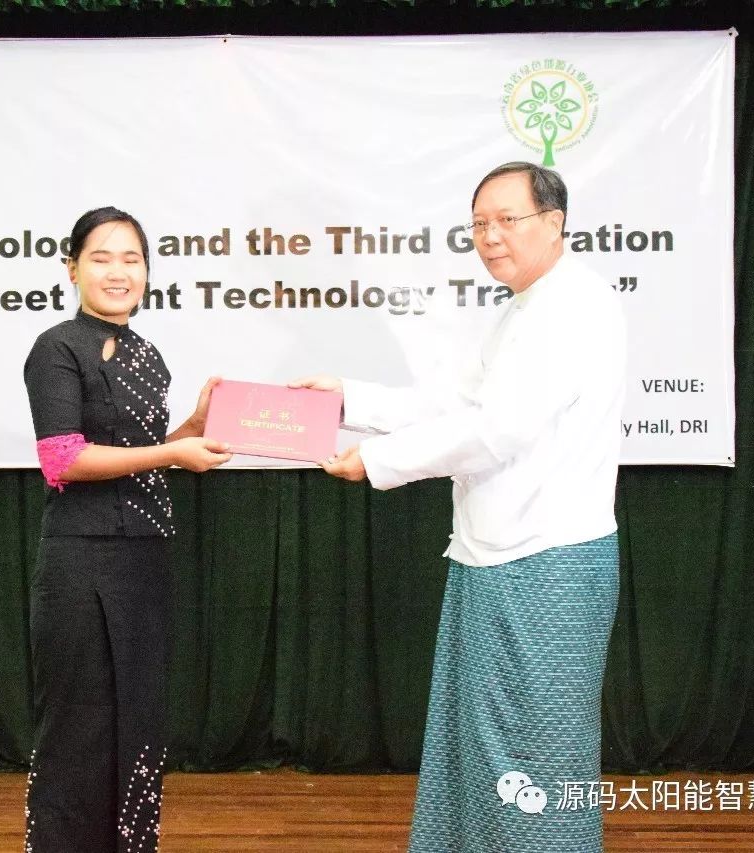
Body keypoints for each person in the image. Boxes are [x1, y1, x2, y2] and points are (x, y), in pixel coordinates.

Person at [295, 162, 626, 852]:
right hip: (491, 557)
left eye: (508, 219)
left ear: (555, 223)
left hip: (548, 562)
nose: (490, 236)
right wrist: (349, 399)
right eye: (478, 223)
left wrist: (379, 462)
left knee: (535, 754)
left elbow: (498, 429)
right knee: (479, 745)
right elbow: (455, 402)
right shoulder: (521, 308)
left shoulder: (574, 305)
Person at [22, 206, 231, 852]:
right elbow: (63, 460)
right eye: (101, 258)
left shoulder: (147, 353)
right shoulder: (57, 347)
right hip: (82, 561)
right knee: (79, 729)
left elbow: (140, 454)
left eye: (131, 259)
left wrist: (192, 428)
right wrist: (173, 452)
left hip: (144, 556)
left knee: (139, 721)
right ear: (72, 269)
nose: (118, 272)